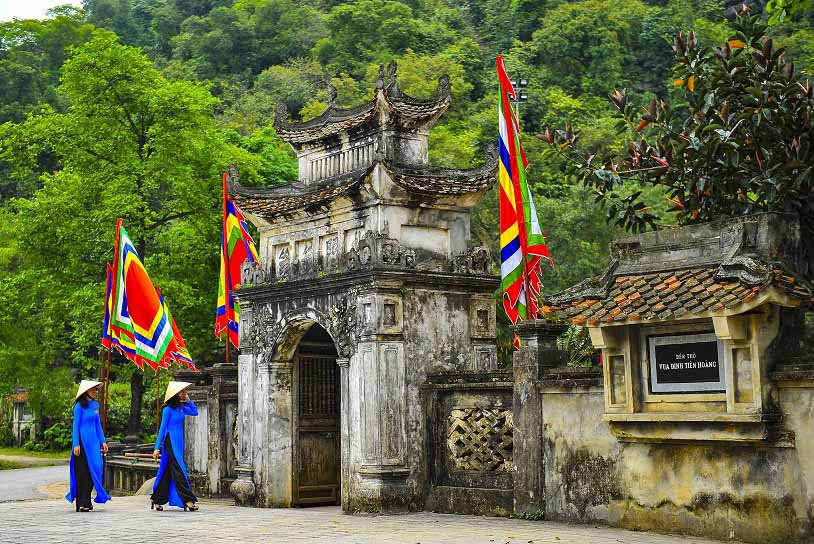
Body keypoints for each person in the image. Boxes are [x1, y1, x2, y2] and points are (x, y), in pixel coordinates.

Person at [150, 381, 199, 512]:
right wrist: (156, 447)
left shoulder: (181, 408)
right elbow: (162, 429)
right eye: (182, 392)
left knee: (167, 472)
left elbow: (195, 412)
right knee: (179, 469)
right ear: (175, 394)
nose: (184, 393)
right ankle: (188, 500)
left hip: (179, 442)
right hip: (170, 442)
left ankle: (158, 499)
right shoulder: (167, 410)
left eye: (184, 391)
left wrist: (188, 400)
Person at [65, 380, 111, 512]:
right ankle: (83, 502)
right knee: (83, 472)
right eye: (93, 390)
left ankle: (87, 499)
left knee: (96, 468)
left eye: (96, 390)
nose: (95, 392)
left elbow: (98, 425)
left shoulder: (96, 405)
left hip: (94, 443)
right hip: (82, 442)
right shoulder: (79, 406)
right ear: (86, 391)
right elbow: (75, 426)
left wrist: (103, 441)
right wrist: (76, 444)